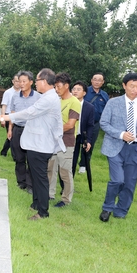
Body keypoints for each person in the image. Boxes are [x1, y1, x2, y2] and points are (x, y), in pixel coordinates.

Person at [0, 68, 65, 220]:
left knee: (40, 178)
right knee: (35, 176)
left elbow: (29, 113)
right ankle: (36, 203)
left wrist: (2, 118)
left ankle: (43, 212)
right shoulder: (46, 96)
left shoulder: (49, 98)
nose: (35, 83)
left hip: (41, 145)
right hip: (35, 143)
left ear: (45, 81)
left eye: (37, 80)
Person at [99, 73, 137, 222]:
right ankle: (107, 207)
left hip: (135, 148)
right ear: (124, 86)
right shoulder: (113, 103)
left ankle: (121, 211)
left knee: (129, 182)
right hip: (115, 146)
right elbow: (104, 123)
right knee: (117, 180)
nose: (135, 90)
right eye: (132, 86)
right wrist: (121, 134)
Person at [47, 72, 80, 208]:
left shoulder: (74, 102)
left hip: (66, 142)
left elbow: (70, 124)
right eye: (55, 86)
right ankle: (50, 194)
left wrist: (54, 131)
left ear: (66, 86)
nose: (56, 89)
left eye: (58, 86)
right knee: (50, 169)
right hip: (53, 141)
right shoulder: (56, 100)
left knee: (65, 172)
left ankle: (66, 199)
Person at [8, 71, 40, 193]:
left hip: (32, 130)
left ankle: (30, 184)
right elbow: (12, 114)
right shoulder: (15, 96)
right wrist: (10, 129)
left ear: (31, 82)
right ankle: (21, 182)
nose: (21, 84)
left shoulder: (38, 97)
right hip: (18, 129)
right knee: (19, 158)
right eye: (19, 81)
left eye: (24, 81)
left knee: (31, 157)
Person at [82, 72, 110, 173]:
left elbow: (107, 110)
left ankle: (84, 164)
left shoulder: (105, 95)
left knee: (90, 144)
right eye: (95, 79)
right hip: (82, 122)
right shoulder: (85, 91)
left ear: (103, 82)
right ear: (91, 80)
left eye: (99, 80)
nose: (97, 81)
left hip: (95, 123)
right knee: (78, 143)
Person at [71, 81, 95, 176]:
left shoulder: (89, 107)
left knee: (75, 159)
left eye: (78, 89)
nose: (75, 91)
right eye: (74, 89)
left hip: (80, 135)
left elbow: (90, 125)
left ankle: (68, 185)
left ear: (84, 93)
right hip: (68, 135)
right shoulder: (67, 103)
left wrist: (88, 140)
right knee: (68, 161)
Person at [0, 74, 21, 157]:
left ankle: (4, 152)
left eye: (19, 81)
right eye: (16, 81)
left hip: (18, 116)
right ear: (13, 81)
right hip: (8, 116)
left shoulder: (22, 92)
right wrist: (2, 119)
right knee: (11, 135)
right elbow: (4, 106)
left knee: (15, 135)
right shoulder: (8, 92)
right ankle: (13, 155)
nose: (18, 83)